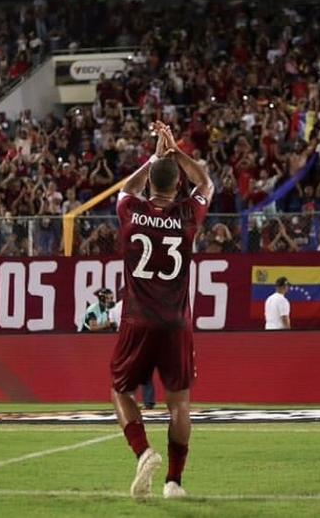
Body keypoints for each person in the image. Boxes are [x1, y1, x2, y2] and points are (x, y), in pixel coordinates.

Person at [110, 121, 213, 500]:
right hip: (174, 322)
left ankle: (143, 451)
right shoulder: (188, 216)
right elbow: (207, 184)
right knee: (180, 403)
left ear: (152, 182)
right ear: (177, 185)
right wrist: (177, 154)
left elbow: (126, 188)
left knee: (120, 390)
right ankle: (174, 482)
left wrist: (155, 156)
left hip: (137, 318)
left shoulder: (131, 210)